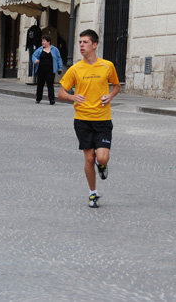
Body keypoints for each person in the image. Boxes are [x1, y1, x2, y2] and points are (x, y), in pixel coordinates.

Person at [58, 29, 121, 208]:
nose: (81, 45)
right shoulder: (75, 69)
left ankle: (102, 166)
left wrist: (110, 96)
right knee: (89, 159)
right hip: (82, 119)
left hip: (102, 119)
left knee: (101, 158)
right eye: (80, 42)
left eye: (85, 42)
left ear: (94, 45)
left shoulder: (107, 66)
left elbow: (116, 86)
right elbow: (61, 92)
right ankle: (93, 193)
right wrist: (71, 97)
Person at [32, 35, 63, 105]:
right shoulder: (39, 49)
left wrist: (60, 67)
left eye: (44, 41)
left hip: (51, 70)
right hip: (41, 70)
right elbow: (34, 56)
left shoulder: (55, 50)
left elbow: (59, 58)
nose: (42, 42)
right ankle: (38, 98)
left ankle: (52, 99)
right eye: (42, 41)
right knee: (40, 84)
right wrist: (35, 60)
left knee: (50, 85)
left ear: (48, 42)